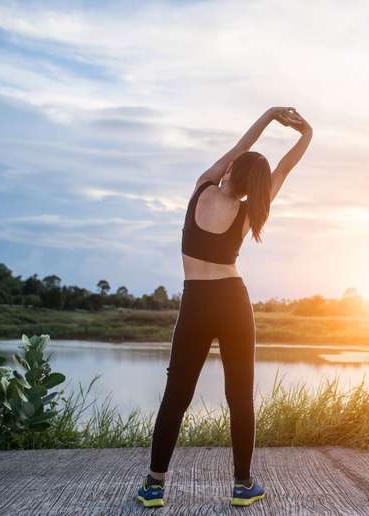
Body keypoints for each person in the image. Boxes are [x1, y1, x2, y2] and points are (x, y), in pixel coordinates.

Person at [135, 106, 313, 508]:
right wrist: (306, 136)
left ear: (232, 168)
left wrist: (269, 117)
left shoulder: (202, 188)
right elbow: (282, 170)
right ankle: (242, 485)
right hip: (234, 301)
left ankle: (154, 486)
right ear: (256, 187)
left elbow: (241, 146)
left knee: (175, 396)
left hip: (196, 302)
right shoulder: (250, 211)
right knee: (240, 396)